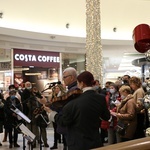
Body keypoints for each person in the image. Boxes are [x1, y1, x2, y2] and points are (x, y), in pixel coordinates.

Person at [44, 71, 110, 150]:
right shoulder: (101, 98)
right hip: (95, 141)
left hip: (78, 143)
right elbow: (106, 117)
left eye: (78, 83)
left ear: (82, 83)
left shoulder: (74, 102)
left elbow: (64, 121)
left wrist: (51, 113)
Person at [50, 84, 67, 149]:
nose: (56, 89)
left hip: (61, 114)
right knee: (55, 130)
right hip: (54, 114)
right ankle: (55, 144)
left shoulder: (63, 96)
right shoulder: (53, 96)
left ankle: (65, 145)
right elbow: (52, 105)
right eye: (55, 88)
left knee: (63, 130)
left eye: (57, 88)